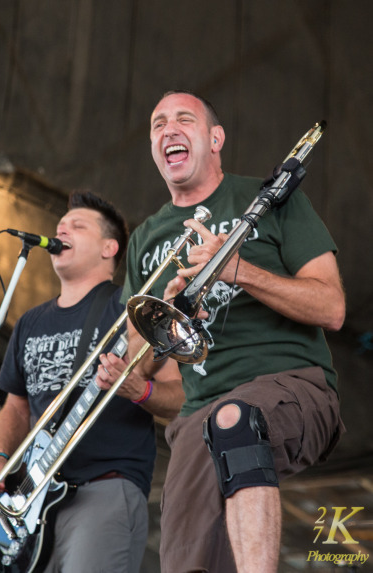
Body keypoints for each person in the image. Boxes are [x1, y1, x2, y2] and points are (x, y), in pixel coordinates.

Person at [120, 91, 346, 573]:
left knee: (235, 420)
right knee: (185, 559)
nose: (168, 130)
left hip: (293, 386)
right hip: (197, 416)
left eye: (184, 119)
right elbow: (141, 361)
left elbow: (332, 308)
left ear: (215, 138)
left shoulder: (267, 201)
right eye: (158, 124)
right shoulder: (145, 239)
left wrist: (239, 270)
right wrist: (172, 312)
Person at [0, 190, 184, 573]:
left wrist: (140, 390)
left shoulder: (129, 311)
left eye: (77, 225)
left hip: (103, 488)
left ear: (109, 247)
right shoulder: (30, 322)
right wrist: (1, 457)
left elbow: (179, 399)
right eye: (59, 226)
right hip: (34, 501)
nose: (62, 230)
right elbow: (17, 405)